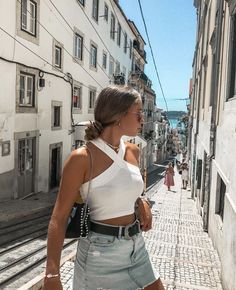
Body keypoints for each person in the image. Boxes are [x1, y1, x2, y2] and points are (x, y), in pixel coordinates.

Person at [43, 85, 165, 290]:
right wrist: (52, 273)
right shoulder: (81, 158)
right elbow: (59, 217)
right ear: (119, 115)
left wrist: (141, 199)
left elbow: (127, 185)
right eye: (138, 113)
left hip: (137, 247)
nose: (142, 119)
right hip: (99, 254)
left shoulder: (134, 151)